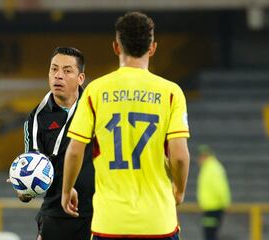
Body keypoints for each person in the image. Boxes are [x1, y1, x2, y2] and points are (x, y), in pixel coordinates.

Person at [61, 12, 190, 240]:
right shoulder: (171, 92)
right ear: (152, 48)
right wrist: (179, 191)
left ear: (116, 47)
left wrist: (66, 190)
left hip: (109, 224)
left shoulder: (95, 91)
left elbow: (74, 151)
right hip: (158, 223)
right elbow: (180, 156)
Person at [19, 47, 95, 240]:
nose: (58, 76)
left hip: (98, 215)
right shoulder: (36, 119)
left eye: (67, 71)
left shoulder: (97, 110)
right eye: (54, 69)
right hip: (56, 215)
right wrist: (24, 187)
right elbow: (33, 168)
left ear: (81, 78)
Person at [197, 144, 231, 240]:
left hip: (213, 208)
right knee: (210, 235)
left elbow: (220, 188)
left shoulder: (212, 168)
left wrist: (225, 203)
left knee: (210, 235)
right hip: (209, 207)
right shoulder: (209, 167)